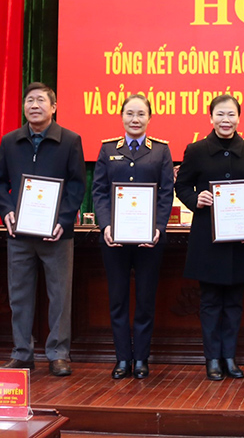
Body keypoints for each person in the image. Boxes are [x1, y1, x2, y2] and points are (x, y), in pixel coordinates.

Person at [0, 82, 86, 377]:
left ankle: (58, 354)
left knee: (60, 296)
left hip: (57, 234)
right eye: (29, 100)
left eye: (41, 100)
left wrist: (63, 221)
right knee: (19, 295)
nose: (34, 105)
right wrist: (7, 211)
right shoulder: (10, 141)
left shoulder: (70, 140)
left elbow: (77, 185)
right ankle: (22, 353)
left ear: (53, 107)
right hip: (19, 234)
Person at [174, 95, 244, 381]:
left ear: (239, 118)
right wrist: (196, 198)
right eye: (220, 114)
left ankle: (229, 356)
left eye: (231, 114)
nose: (225, 120)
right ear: (211, 117)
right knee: (210, 301)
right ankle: (212, 359)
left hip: (241, 238)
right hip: (208, 238)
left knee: (234, 302)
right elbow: (181, 186)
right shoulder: (196, 150)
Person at [92, 94, 174, 380]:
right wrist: (105, 226)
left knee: (145, 300)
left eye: (141, 114)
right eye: (130, 113)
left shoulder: (161, 150)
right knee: (117, 300)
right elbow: (99, 192)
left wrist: (158, 228)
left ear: (150, 118)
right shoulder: (108, 149)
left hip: (149, 240)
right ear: (122, 116)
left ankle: (141, 358)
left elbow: (166, 193)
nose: (135, 119)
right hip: (114, 240)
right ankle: (122, 359)